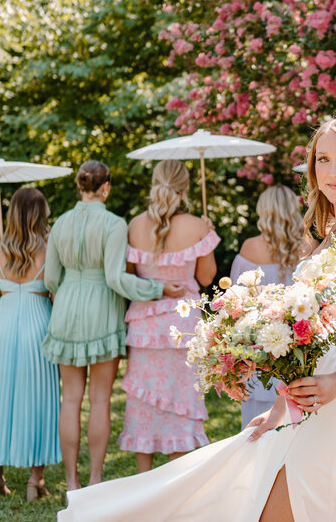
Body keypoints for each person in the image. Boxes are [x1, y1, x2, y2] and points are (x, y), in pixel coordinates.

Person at [58, 115, 336, 522]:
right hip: (303, 398)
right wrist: (280, 409)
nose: (333, 172)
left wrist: (335, 383)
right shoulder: (330, 227)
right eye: (323, 159)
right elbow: (313, 335)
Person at [41, 160, 184, 492]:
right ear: (105, 187)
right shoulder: (114, 224)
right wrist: (157, 289)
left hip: (65, 309)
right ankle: (94, 480)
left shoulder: (59, 223)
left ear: (80, 186)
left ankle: (72, 483)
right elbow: (114, 278)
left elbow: (50, 278)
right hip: (101, 310)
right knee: (100, 399)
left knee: (71, 399)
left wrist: (65, 294)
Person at [118, 160, 219, 471]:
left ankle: (143, 481)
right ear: (184, 188)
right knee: (180, 401)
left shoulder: (134, 226)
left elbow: (129, 277)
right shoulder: (197, 226)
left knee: (144, 401)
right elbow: (206, 278)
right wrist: (208, 233)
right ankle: (174, 484)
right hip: (183, 326)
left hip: (146, 328)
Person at [0, 187, 61, 501]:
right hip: (39, 323)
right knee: (38, 399)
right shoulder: (51, 249)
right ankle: (35, 482)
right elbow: (55, 294)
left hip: (3, 326)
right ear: (41, 215)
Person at [230, 184, 313, 429]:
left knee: (256, 432)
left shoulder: (250, 247)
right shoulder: (309, 247)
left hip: (259, 352)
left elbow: (235, 300)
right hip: (300, 349)